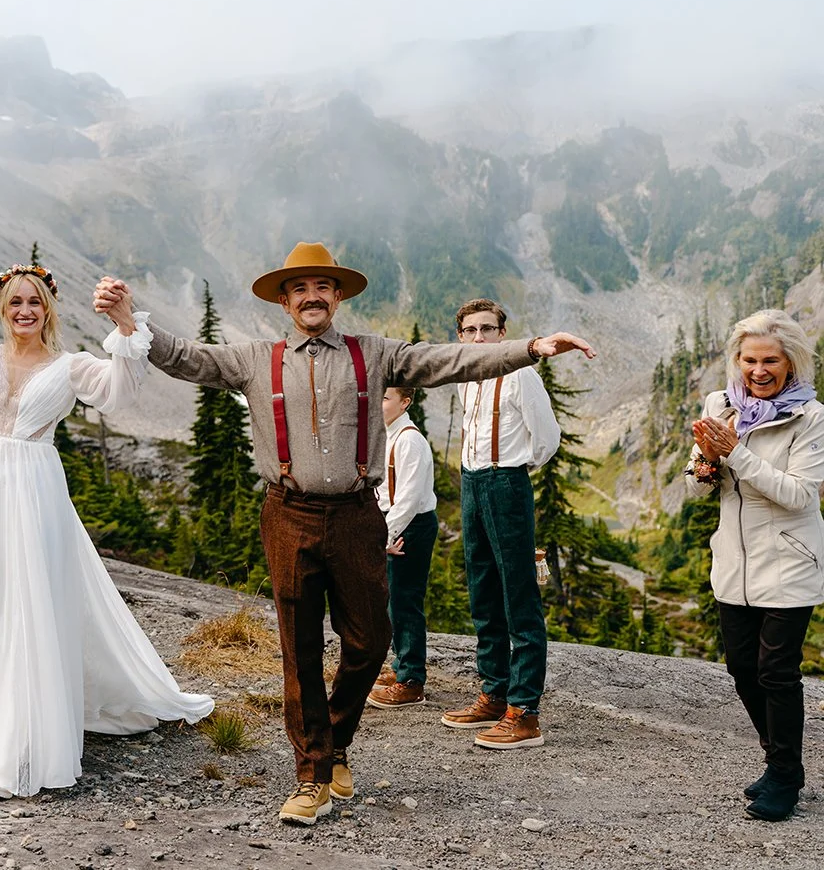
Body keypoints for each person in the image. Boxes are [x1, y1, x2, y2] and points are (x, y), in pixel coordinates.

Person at [95, 241, 595, 825]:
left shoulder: (374, 354)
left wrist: (532, 348)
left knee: (369, 639)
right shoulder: (258, 359)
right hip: (288, 513)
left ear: (337, 297)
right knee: (300, 648)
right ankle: (312, 773)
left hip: (359, 513)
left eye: (322, 287)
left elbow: (450, 361)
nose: (312, 296)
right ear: (286, 301)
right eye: (300, 288)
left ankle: (332, 741)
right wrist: (129, 321)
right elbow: (187, 357)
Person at [0, 202, 213, 799]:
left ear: (48, 310)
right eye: (15, 303)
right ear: (3, 311)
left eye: (35, 302)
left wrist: (127, 321)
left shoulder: (72, 366)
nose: (25, 311)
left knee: (27, 604)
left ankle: (21, 745)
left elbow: (120, 392)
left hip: (33, 492)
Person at [686, 309, 824, 822]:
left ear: (791, 364)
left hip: (790, 563)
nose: (758, 371)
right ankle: (777, 760)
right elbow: (698, 485)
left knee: (777, 673)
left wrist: (736, 452)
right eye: (749, 360)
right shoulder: (719, 405)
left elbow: (800, 495)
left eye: (770, 361)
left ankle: (786, 776)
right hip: (734, 563)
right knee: (742, 668)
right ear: (736, 360)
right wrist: (702, 465)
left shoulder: (812, 418)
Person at [440, 299, 560, 750]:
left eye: (487, 330)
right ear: (460, 337)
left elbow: (547, 438)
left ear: (502, 333)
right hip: (471, 483)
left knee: (519, 596)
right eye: (470, 331)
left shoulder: (520, 374)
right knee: (482, 589)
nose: (478, 339)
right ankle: (494, 692)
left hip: (506, 483)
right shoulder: (465, 377)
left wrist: (512, 470)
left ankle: (525, 711)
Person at [366, 386, 438, 710]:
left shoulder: (410, 440)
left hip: (411, 526)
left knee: (406, 601)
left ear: (405, 402)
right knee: (393, 599)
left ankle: (411, 681)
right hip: (392, 520)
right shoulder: (385, 434)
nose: (378, 403)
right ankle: (400, 668)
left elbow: (407, 499)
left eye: (386, 398)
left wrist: (386, 537)